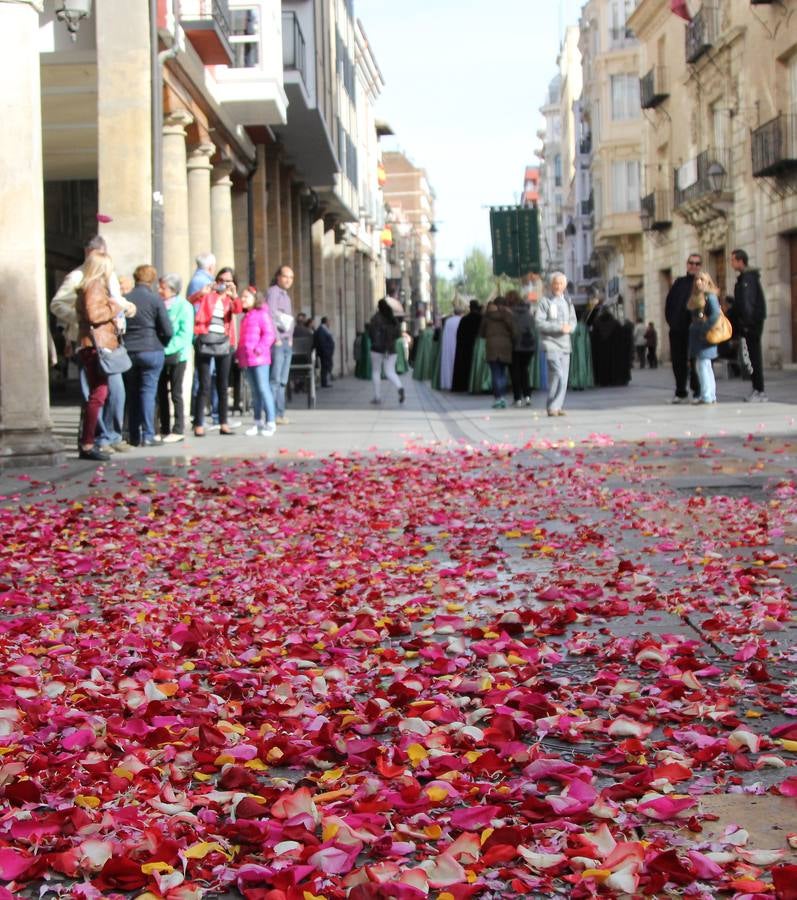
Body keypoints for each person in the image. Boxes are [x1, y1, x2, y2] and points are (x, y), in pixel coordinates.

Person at [50, 235, 135, 452]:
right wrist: (80, 319)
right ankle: (97, 438)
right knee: (97, 393)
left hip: (110, 340)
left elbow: (113, 301)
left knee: (113, 391)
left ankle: (112, 435)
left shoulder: (107, 278)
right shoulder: (80, 278)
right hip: (94, 341)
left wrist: (127, 306)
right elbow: (60, 305)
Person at [74, 253, 125, 461]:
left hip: (94, 345)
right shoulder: (95, 285)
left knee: (98, 393)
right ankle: (88, 442)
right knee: (99, 394)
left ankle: (87, 440)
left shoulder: (90, 285)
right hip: (97, 346)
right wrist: (115, 306)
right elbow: (94, 315)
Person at [123, 265, 173, 447]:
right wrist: (162, 343)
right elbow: (167, 329)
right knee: (148, 392)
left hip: (129, 350)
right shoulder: (155, 300)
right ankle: (149, 434)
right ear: (151, 280)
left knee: (132, 393)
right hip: (151, 348)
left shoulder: (125, 299)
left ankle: (133, 434)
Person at [192, 271, 243, 437]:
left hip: (224, 343)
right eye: (221, 280)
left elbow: (238, 310)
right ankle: (198, 424)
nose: (224, 283)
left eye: (228, 281)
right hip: (206, 341)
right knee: (204, 384)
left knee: (222, 385)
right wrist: (202, 293)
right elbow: (190, 302)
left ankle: (223, 423)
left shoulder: (230, 298)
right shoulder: (208, 295)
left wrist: (234, 295)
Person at [157, 273, 194, 443]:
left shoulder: (184, 306)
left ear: (172, 289)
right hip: (160, 353)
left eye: (163, 287)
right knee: (161, 392)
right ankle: (164, 427)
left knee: (176, 392)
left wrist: (166, 348)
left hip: (178, 355)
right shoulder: (159, 304)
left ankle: (178, 428)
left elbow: (185, 334)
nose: (159, 290)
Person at [236, 287, 277, 436]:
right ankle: (258, 421)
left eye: (246, 297)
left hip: (260, 358)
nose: (243, 299)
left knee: (263, 388)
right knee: (254, 391)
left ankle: (271, 421)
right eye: (242, 297)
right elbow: (243, 339)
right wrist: (239, 354)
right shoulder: (245, 317)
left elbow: (269, 335)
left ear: (255, 298)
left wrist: (259, 348)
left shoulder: (262, 314)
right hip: (248, 359)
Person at [535, 272, 577, 417]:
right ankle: (552, 405)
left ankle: (555, 407)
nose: (558, 286)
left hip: (565, 345)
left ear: (564, 286)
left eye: (561, 283)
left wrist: (570, 328)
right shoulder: (545, 302)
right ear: (551, 285)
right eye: (555, 283)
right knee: (558, 374)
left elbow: (573, 321)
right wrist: (559, 328)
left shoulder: (568, 302)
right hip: (550, 344)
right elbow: (539, 323)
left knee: (563, 378)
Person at [731, 248, 767, 402]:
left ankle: (759, 391)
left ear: (740, 261)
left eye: (732, 260)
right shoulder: (745, 278)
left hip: (751, 324)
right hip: (749, 323)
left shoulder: (748, 279)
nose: (731, 263)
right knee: (752, 357)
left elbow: (748, 302)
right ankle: (757, 389)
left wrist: (746, 323)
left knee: (754, 357)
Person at [666, 253, 702, 403]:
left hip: (695, 330)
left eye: (697, 263)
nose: (693, 266)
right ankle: (680, 391)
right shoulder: (679, 283)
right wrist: (672, 322)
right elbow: (669, 304)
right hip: (677, 329)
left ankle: (697, 391)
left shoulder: (702, 283)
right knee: (678, 361)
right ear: (687, 265)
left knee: (695, 362)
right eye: (691, 263)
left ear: (700, 266)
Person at [266, 265, 295, 425]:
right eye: (285, 276)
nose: (288, 280)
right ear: (278, 276)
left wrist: (290, 338)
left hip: (286, 342)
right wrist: (276, 337)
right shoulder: (274, 293)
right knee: (275, 379)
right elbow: (270, 315)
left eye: (291, 277)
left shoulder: (286, 296)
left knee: (283, 380)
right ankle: (273, 413)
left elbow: (289, 319)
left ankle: (280, 413)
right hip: (277, 342)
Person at [687, 271, 721, 405]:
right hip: (698, 335)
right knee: (704, 365)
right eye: (697, 279)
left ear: (707, 281)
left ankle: (707, 396)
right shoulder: (696, 297)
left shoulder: (710, 296)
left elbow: (715, 315)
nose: (698, 282)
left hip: (705, 336)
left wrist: (704, 329)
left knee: (703, 365)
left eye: (701, 279)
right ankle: (709, 395)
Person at [479, 296, 516, 409]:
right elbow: (514, 331)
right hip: (505, 346)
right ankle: (502, 397)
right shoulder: (508, 315)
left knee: (495, 373)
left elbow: (481, 332)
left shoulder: (487, 316)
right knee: (503, 373)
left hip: (492, 346)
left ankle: (498, 398)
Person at [368, 298, 404, 405]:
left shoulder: (375, 319)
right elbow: (398, 334)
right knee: (390, 372)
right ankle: (400, 387)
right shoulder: (392, 319)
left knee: (376, 372)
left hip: (377, 349)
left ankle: (377, 397)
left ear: (378, 307)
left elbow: (371, 333)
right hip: (391, 349)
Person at [508, 290, 535, 407]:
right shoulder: (528, 313)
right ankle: (527, 396)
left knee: (515, 372)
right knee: (524, 371)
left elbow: (510, 330)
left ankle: (517, 398)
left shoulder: (510, 314)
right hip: (529, 346)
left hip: (515, 345)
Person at [451, 300, 482, 392]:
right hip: (477, 346)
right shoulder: (481, 318)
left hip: (465, 347)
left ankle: (463, 385)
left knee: (465, 367)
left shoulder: (464, 319)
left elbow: (459, 335)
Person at [439, 300, 465, 390]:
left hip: (448, 346)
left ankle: (448, 382)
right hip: (457, 345)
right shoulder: (462, 320)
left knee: (449, 363)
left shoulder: (448, 321)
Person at [315, 316, 335, 387]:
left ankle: (326, 381)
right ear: (325, 322)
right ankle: (324, 382)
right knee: (325, 367)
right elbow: (322, 342)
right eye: (328, 321)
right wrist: (326, 351)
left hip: (327, 352)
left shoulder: (325, 329)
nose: (329, 323)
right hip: (325, 353)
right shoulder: (321, 330)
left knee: (327, 366)